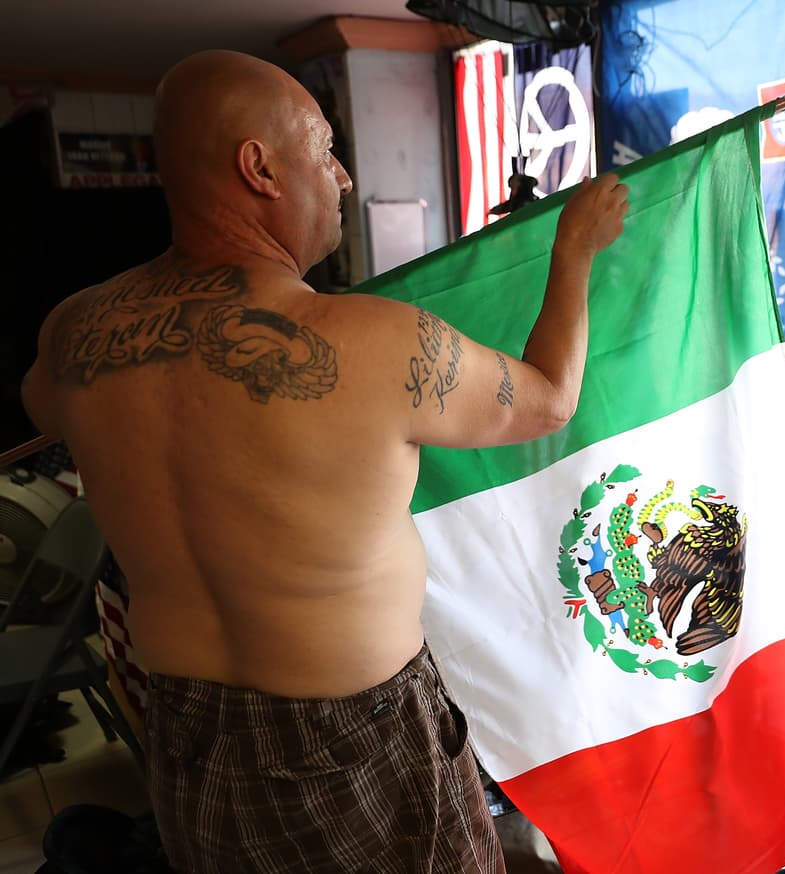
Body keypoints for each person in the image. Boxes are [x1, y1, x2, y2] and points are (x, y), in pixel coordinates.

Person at [20, 49, 629, 873]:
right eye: (325, 151)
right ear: (260, 168)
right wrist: (575, 250)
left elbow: (41, 409)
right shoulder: (376, 342)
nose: (342, 178)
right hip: (353, 744)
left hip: (184, 734)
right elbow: (551, 397)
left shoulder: (76, 335)